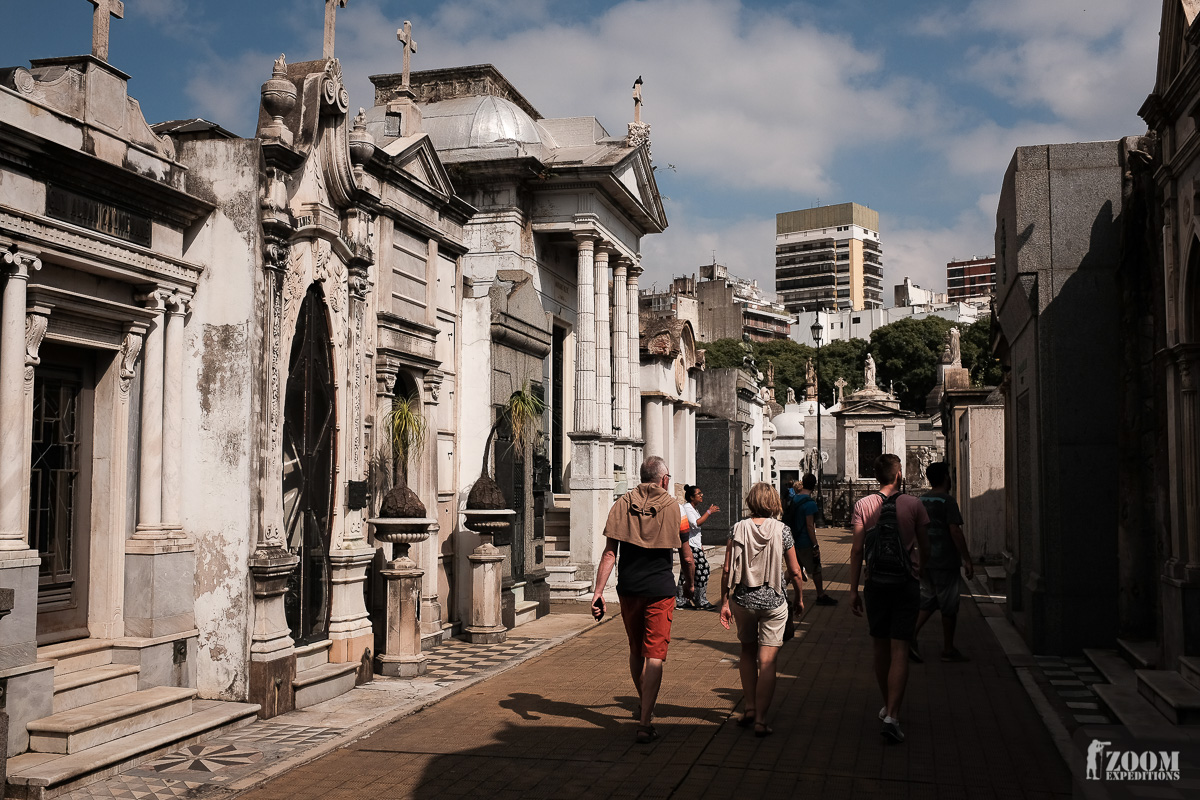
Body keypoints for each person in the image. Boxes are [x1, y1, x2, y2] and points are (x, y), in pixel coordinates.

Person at [591, 455, 694, 744]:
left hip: (629, 588)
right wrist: (689, 585)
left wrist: (598, 592)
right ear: (663, 480)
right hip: (661, 590)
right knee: (656, 655)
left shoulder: (621, 504)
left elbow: (610, 553)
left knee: (637, 651)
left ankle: (644, 703)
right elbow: (686, 556)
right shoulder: (677, 509)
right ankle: (645, 721)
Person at [848, 454, 930, 744]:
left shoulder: (862, 505)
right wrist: (924, 573)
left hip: (876, 583)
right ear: (899, 476)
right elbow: (924, 544)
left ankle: (887, 706)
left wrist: (853, 589)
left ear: (875, 476)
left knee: (880, 647)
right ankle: (894, 714)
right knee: (900, 648)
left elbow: (857, 550)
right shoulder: (914, 504)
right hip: (906, 582)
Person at [719, 482, 806, 738]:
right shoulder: (783, 530)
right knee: (768, 661)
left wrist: (724, 601)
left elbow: (726, 569)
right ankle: (760, 720)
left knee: (747, 652)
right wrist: (799, 597)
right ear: (774, 503)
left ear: (751, 501)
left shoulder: (737, 528)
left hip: (743, 600)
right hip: (774, 601)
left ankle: (749, 708)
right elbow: (795, 571)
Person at [910, 462, 974, 663]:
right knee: (948, 605)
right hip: (945, 560)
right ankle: (948, 648)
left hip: (926, 560)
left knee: (930, 599)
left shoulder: (921, 501)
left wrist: (918, 559)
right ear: (946, 477)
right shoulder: (947, 501)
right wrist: (967, 558)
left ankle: (911, 634)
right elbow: (955, 530)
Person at [785, 475, 838, 607]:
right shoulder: (810, 503)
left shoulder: (794, 499)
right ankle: (820, 595)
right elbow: (810, 526)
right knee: (816, 569)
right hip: (805, 541)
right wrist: (815, 544)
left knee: (793, 569)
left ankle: (778, 592)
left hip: (792, 540)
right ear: (814, 486)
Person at [676, 485, 720, 610]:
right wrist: (709, 512)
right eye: (698, 494)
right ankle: (699, 600)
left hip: (694, 545)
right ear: (691, 497)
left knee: (687, 573)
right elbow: (696, 523)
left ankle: (683, 600)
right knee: (703, 570)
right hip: (689, 545)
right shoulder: (687, 508)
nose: (701, 495)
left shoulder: (694, 509)